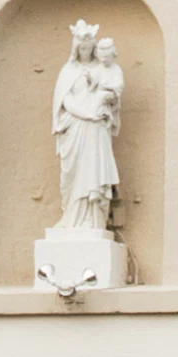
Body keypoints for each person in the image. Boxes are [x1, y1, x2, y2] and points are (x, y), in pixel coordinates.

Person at [51, 23, 124, 234]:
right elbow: (65, 100)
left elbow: (113, 96)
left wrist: (102, 106)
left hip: (96, 128)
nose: (86, 52)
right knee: (72, 174)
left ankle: (94, 220)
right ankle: (70, 218)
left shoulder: (102, 69)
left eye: (89, 47)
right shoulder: (68, 71)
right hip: (75, 126)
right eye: (82, 48)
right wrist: (86, 113)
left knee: (94, 169)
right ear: (76, 48)